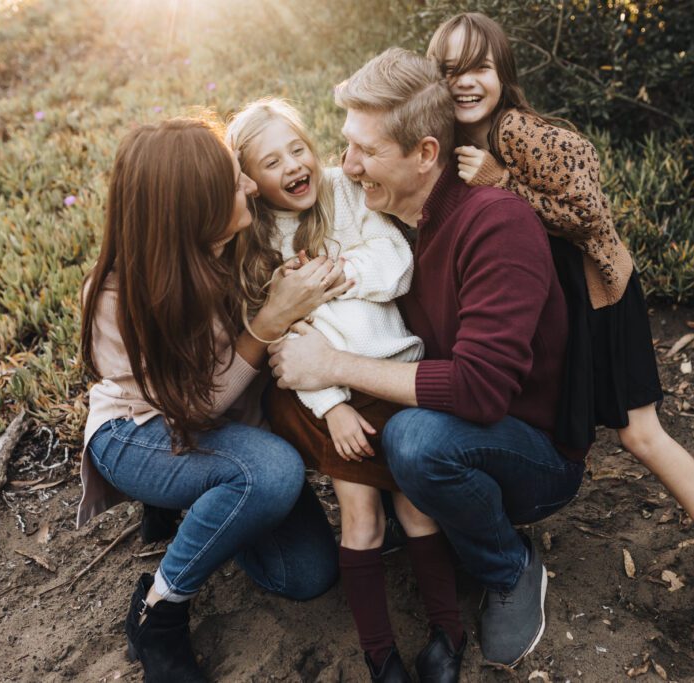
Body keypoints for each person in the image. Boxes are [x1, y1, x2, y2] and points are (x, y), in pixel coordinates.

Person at [426, 11, 694, 620]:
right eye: (449, 70)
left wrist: (499, 180)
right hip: (558, 309)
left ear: (502, 68)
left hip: (602, 301)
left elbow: (589, 214)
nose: (465, 82)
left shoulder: (520, 132)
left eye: (478, 66)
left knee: (639, 433)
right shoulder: (455, 140)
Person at [268, 48, 585, 669]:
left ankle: (509, 565)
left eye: (366, 152)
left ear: (426, 154)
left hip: (531, 456)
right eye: (344, 145)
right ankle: (404, 514)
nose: (347, 166)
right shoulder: (397, 221)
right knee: (290, 381)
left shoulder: (497, 224)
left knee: (415, 440)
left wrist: (332, 366)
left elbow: (481, 391)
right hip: (456, 426)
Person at [78, 117, 349, 682]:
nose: (251, 186)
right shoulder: (119, 295)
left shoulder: (237, 241)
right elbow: (193, 409)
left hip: (231, 428)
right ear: (193, 207)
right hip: (142, 431)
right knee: (269, 472)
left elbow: (319, 183)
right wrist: (272, 318)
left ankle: (205, 504)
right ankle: (161, 613)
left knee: (306, 576)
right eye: (234, 183)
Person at [225, 98, 465, 683]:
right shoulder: (256, 249)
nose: (291, 166)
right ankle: (379, 654)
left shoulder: (342, 191)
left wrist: (333, 278)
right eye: (270, 161)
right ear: (249, 181)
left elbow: (396, 261)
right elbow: (288, 350)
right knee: (361, 519)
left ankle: (447, 631)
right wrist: (331, 408)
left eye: (297, 148)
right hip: (330, 396)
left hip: (394, 370)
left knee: (416, 509)